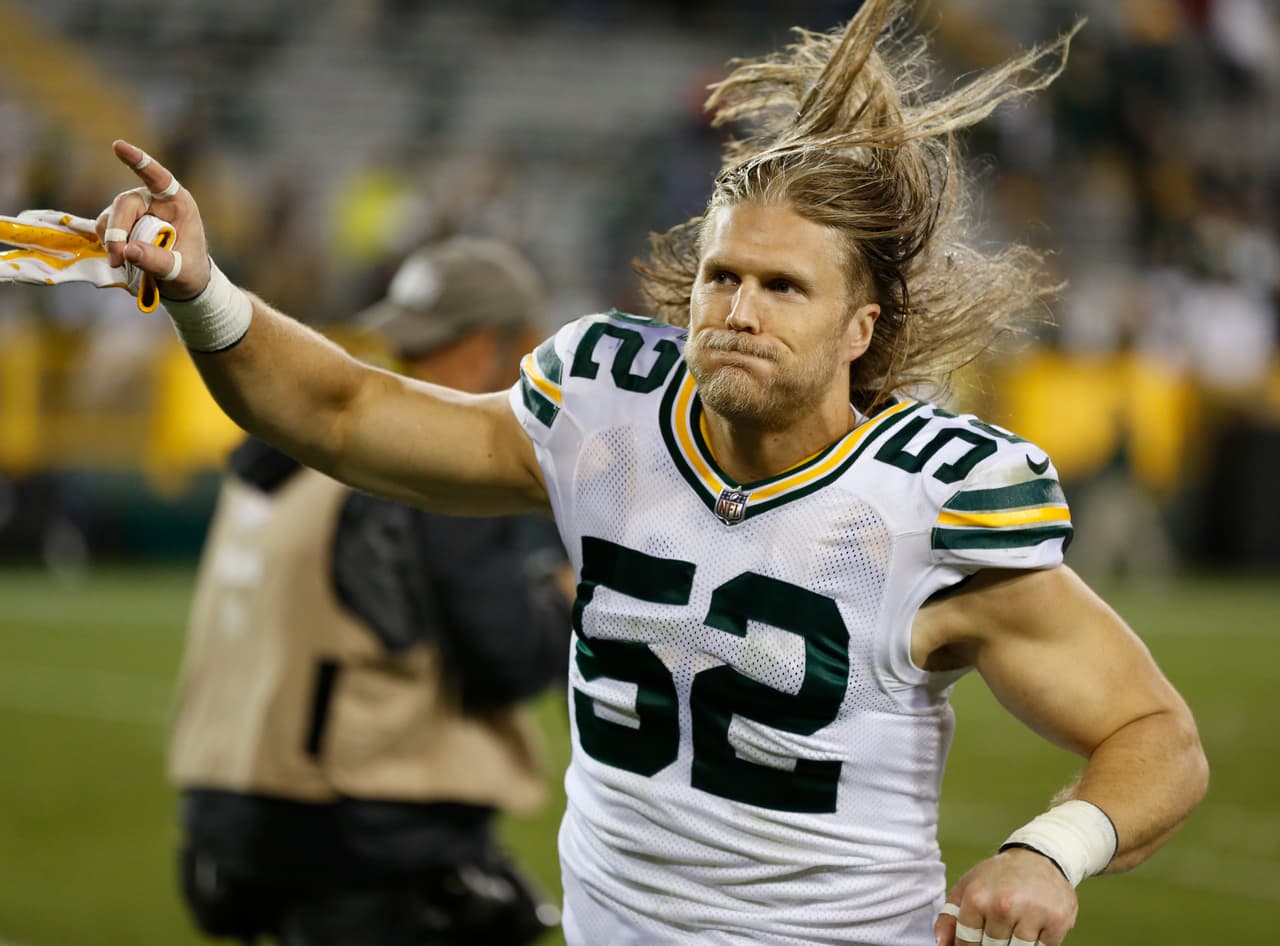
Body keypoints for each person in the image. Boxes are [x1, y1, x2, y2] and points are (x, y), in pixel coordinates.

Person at [7, 2, 1208, 944]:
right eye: (721, 277)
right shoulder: (606, 411)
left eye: (782, 287)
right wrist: (204, 290)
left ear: (861, 327)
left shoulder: (930, 500)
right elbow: (342, 411)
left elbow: (1154, 733)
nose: (737, 311)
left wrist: (1050, 849)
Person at [166, 237, 569, 946]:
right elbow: (502, 658)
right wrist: (569, 601)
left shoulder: (278, 449)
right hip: (361, 828)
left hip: (229, 809)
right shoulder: (438, 469)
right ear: (496, 345)